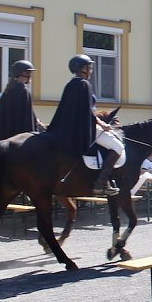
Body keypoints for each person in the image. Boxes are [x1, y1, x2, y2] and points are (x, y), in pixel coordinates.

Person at [44, 55, 122, 196]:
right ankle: (101, 182)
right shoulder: (84, 84)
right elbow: (88, 112)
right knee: (118, 147)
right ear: (82, 68)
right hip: (86, 128)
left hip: (73, 128)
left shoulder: (71, 84)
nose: (91, 70)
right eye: (89, 67)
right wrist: (103, 124)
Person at [0, 59, 45, 141]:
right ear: (23, 73)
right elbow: (27, 116)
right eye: (28, 73)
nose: (30, 76)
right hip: (16, 133)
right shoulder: (23, 90)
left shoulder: (10, 88)